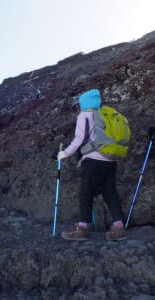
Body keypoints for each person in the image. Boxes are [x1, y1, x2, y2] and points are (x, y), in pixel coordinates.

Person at [57, 89, 126, 241]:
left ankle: (82, 228)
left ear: (82, 104)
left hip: (93, 160)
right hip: (111, 159)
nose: (78, 109)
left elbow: (79, 139)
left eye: (78, 106)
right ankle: (119, 227)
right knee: (110, 193)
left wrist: (64, 154)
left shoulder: (85, 115)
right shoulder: (105, 113)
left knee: (85, 193)